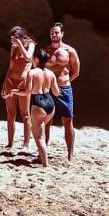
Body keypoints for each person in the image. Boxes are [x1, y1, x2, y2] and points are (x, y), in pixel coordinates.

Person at [46, 22, 81, 162]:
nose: (54, 35)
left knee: (67, 120)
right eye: (52, 33)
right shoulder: (46, 50)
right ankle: (43, 150)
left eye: (56, 32)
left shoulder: (69, 51)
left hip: (64, 88)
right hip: (47, 88)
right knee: (46, 120)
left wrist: (65, 82)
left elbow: (76, 71)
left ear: (62, 34)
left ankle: (70, 153)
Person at [1, 25, 35, 151]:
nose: (12, 42)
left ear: (20, 37)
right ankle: (10, 142)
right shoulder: (13, 47)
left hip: (24, 81)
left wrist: (20, 45)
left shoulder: (30, 44)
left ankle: (26, 143)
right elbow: (10, 66)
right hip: (11, 80)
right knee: (10, 114)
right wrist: (5, 83)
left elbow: (28, 58)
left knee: (25, 114)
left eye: (14, 39)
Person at [26, 47, 60, 167]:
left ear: (36, 59)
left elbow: (27, 91)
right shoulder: (50, 73)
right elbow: (56, 92)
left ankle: (45, 164)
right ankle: (41, 159)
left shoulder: (32, 72)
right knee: (42, 132)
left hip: (38, 103)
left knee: (39, 137)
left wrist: (14, 92)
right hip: (50, 103)